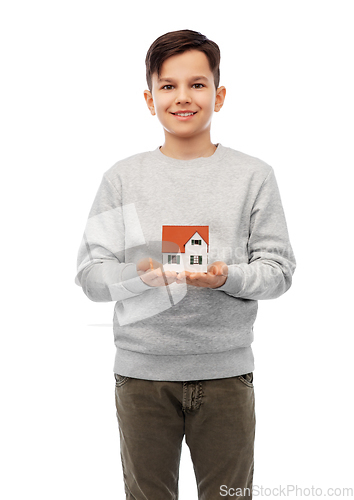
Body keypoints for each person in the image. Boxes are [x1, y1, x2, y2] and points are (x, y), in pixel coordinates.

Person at [75, 29, 296, 500]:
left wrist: (226, 276)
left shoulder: (253, 176)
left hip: (226, 378)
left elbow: (278, 271)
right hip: (141, 378)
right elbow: (91, 278)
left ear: (218, 94)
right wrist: (138, 275)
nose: (182, 98)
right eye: (168, 86)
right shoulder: (122, 177)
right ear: (149, 98)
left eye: (197, 84)